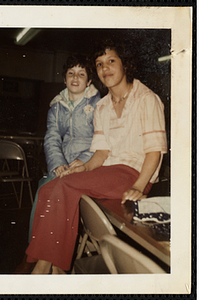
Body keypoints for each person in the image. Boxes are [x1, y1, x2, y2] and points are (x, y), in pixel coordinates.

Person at [25, 39, 168, 274]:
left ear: (125, 65)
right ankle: (56, 267)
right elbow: (101, 152)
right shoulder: (102, 106)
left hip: (134, 174)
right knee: (49, 189)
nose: (105, 68)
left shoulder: (147, 99)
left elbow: (154, 151)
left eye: (111, 61)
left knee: (65, 185)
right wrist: (86, 167)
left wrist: (139, 187)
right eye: (100, 64)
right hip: (108, 172)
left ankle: (43, 267)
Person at [28, 55, 101, 241]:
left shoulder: (98, 105)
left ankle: (51, 249)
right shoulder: (56, 107)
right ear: (64, 78)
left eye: (81, 74)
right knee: (43, 187)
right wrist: (57, 163)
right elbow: (52, 138)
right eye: (71, 73)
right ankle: (34, 249)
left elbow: (101, 138)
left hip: (89, 163)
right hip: (63, 163)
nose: (75, 78)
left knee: (59, 193)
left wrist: (84, 160)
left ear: (89, 81)